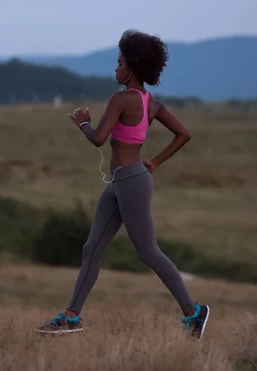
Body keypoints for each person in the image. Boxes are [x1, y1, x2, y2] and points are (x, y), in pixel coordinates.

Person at [35, 29, 209, 339]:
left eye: (119, 62)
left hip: (130, 182)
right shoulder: (150, 102)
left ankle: (194, 312)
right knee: (92, 248)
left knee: (148, 252)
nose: (115, 69)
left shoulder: (121, 99)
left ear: (132, 66)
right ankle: (71, 316)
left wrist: (83, 122)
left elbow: (99, 139)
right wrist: (154, 162)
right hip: (121, 181)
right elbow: (184, 133)